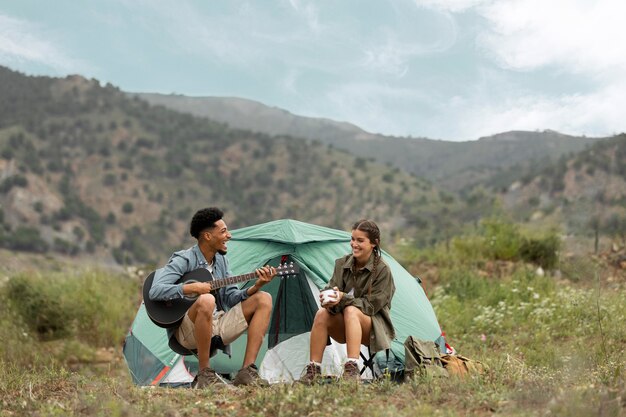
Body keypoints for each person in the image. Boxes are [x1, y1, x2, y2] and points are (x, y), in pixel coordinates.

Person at [149, 207, 277, 388]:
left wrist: (256, 286)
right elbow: (155, 290)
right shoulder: (184, 259)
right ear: (208, 236)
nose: (229, 236)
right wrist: (191, 287)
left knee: (264, 298)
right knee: (207, 300)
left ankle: (247, 372)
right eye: (223, 231)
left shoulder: (222, 261)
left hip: (217, 324)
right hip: (187, 331)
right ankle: (204, 374)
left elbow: (231, 298)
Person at [300, 219, 396, 384]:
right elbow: (330, 288)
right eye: (352, 239)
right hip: (345, 324)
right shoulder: (342, 263)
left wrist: (343, 298)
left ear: (374, 243)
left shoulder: (382, 270)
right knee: (322, 313)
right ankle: (313, 370)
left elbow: (370, 306)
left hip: (373, 329)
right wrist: (328, 299)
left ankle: (352, 369)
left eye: (360, 240)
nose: (354, 244)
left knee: (352, 310)